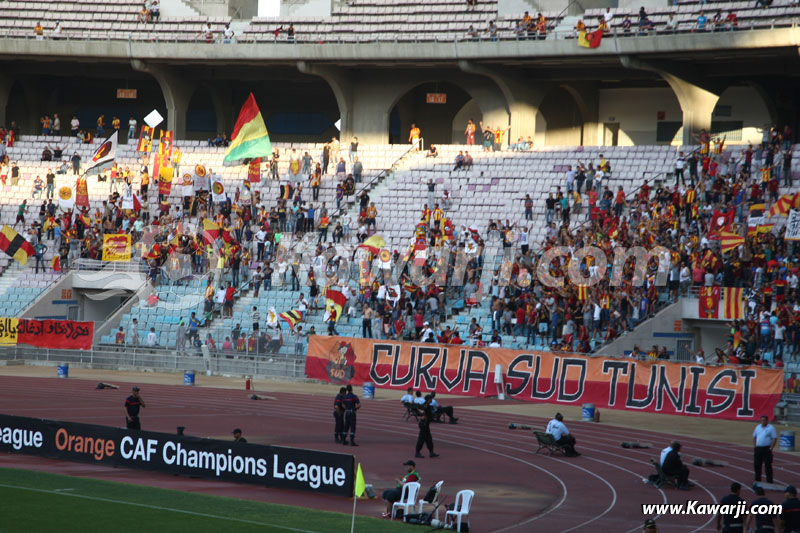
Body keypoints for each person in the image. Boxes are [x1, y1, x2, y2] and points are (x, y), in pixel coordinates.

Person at [753, 414, 777, 484]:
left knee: (768, 465)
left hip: (766, 449)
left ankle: (769, 480)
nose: (762, 421)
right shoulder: (757, 427)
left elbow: (774, 438)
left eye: (764, 420)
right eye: (761, 420)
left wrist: (771, 448)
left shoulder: (771, 428)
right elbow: (754, 436)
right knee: (757, 464)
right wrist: (755, 446)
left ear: (767, 420)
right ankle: (757, 479)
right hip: (758, 449)